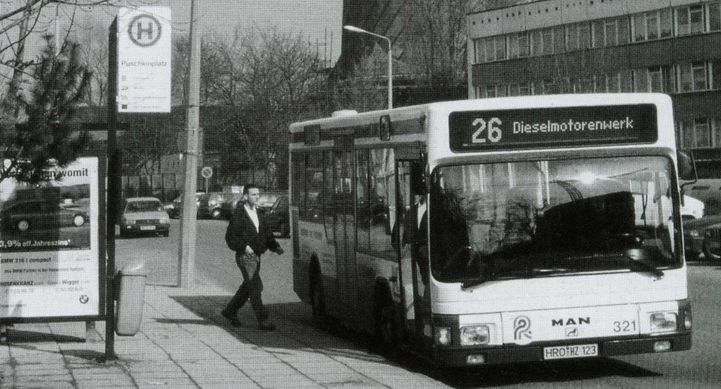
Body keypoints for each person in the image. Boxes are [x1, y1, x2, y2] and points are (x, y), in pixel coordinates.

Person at [222, 184, 284, 331]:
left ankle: (230, 311)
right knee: (256, 286)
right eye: (253, 194)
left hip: (257, 255)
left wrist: (275, 247)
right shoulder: (239, 215)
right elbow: (231, 237)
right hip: (245, 256)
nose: (256, 197)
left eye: (257, 194)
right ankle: (263, 320)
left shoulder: (259, 213)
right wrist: (244, 247)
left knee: (249, 286)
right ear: (245, 196)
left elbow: (267, 234)